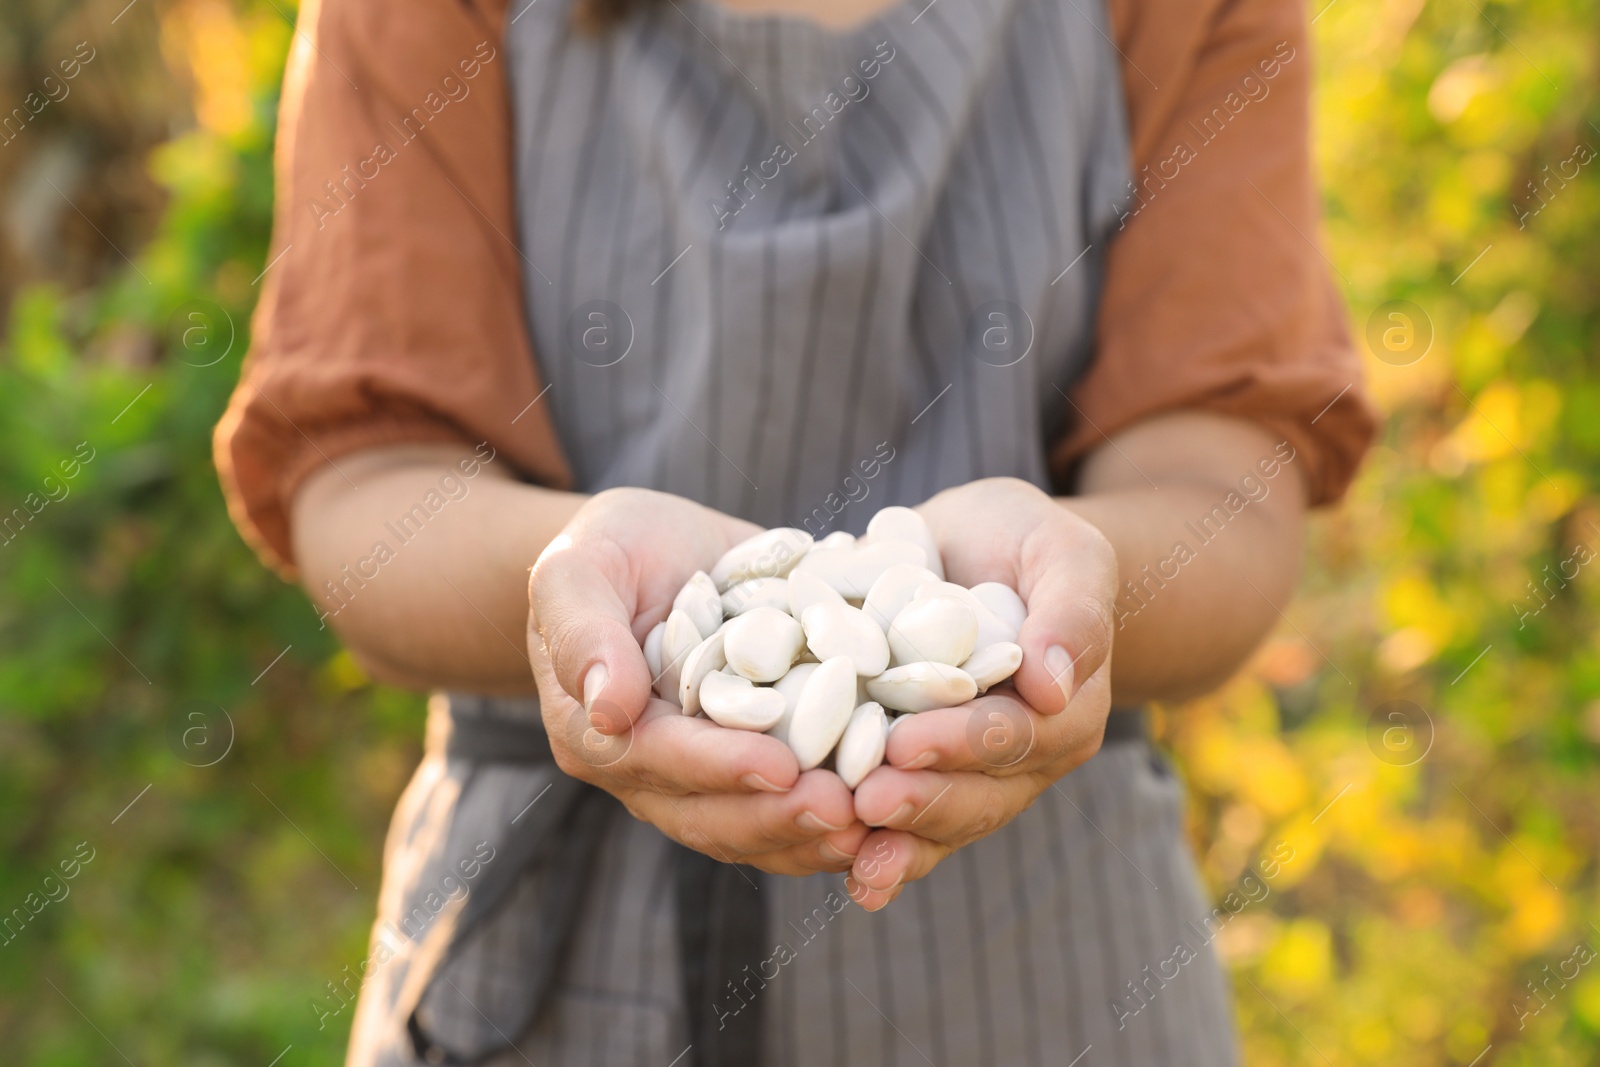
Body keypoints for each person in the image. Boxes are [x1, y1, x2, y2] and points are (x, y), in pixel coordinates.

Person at [214, 0, 1375, 1061]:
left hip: (1055, 970)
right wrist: (570, 586)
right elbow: (366, 484)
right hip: (546, 973)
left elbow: (1224, 485)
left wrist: (1077, 592)